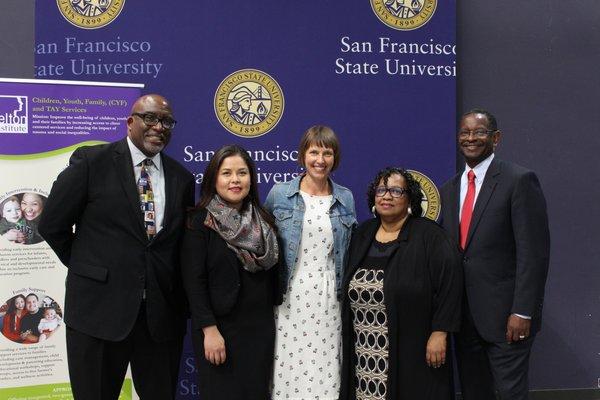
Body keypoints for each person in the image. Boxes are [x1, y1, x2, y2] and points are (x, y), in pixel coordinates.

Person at [38, 94, 195, 400]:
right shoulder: (91, 163)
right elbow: (51, 224)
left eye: (166, 121)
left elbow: (176, 247)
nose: (158, 127)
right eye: (150, 118)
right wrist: (89, 268)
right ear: (130, 122)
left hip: (159, 319)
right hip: (98, 313)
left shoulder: (182, 179)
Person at [439, 109, 550, 400]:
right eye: (465, 133)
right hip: (464, 320)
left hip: (507, 320)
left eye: (479, 132)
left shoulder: (519, 180)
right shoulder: (449, 189)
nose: (471, 138)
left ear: (495, 138)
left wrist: (523, 310)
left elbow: (533, 253)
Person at [339, 168, 462, 400]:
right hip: (365, 349)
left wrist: (440, 332)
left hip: (413, 347)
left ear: (410, 198)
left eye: (396, 190)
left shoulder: (430, 236)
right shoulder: (363, 234)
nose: (387, 196)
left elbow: (450, 285)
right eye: (382, 190)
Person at [181, 145, 281, 399]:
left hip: (259, 330)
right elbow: (194, 282)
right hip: (219, 331)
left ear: (251, 178)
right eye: (226, 173)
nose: (235, 180)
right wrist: (209, 330)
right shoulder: (199, 221)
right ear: (214, 179)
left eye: (242, 173)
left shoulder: (265, 220)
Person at [266, 125, 357, 399]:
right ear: (303, 155)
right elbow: (264, 244)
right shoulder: (280, 194)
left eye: (327, 153)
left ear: (335, 158)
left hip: (329, 296)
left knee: (326, 370)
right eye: (314, 151)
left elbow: (349, 250)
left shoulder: (345, 198)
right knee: (286, 371)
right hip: (288, 296)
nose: (320, 159)